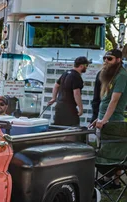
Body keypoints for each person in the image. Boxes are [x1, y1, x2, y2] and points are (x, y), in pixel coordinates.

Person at [91, 49, 127, 189]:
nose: (106, 61)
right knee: (108, 149)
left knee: (114, 150)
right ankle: (108, 179)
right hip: (104, 117)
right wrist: (99, 118)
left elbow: (114, 100)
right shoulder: (110, 74)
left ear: (118, 59)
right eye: (105, 58)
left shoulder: (122, 75)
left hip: (114, 119)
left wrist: (104, 120)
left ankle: (115, 182)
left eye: (110, 58)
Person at [48, 56, 90, 126]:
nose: (87, 67)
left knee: (58, 129)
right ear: (81, 66)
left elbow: (56, 85)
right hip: (69, 108)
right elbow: (76, 93)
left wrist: (54, 98)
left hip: (59, 106)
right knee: (72, 130)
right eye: (86, 65)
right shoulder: (76, 76)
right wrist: (80, 108)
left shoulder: (66, 73)